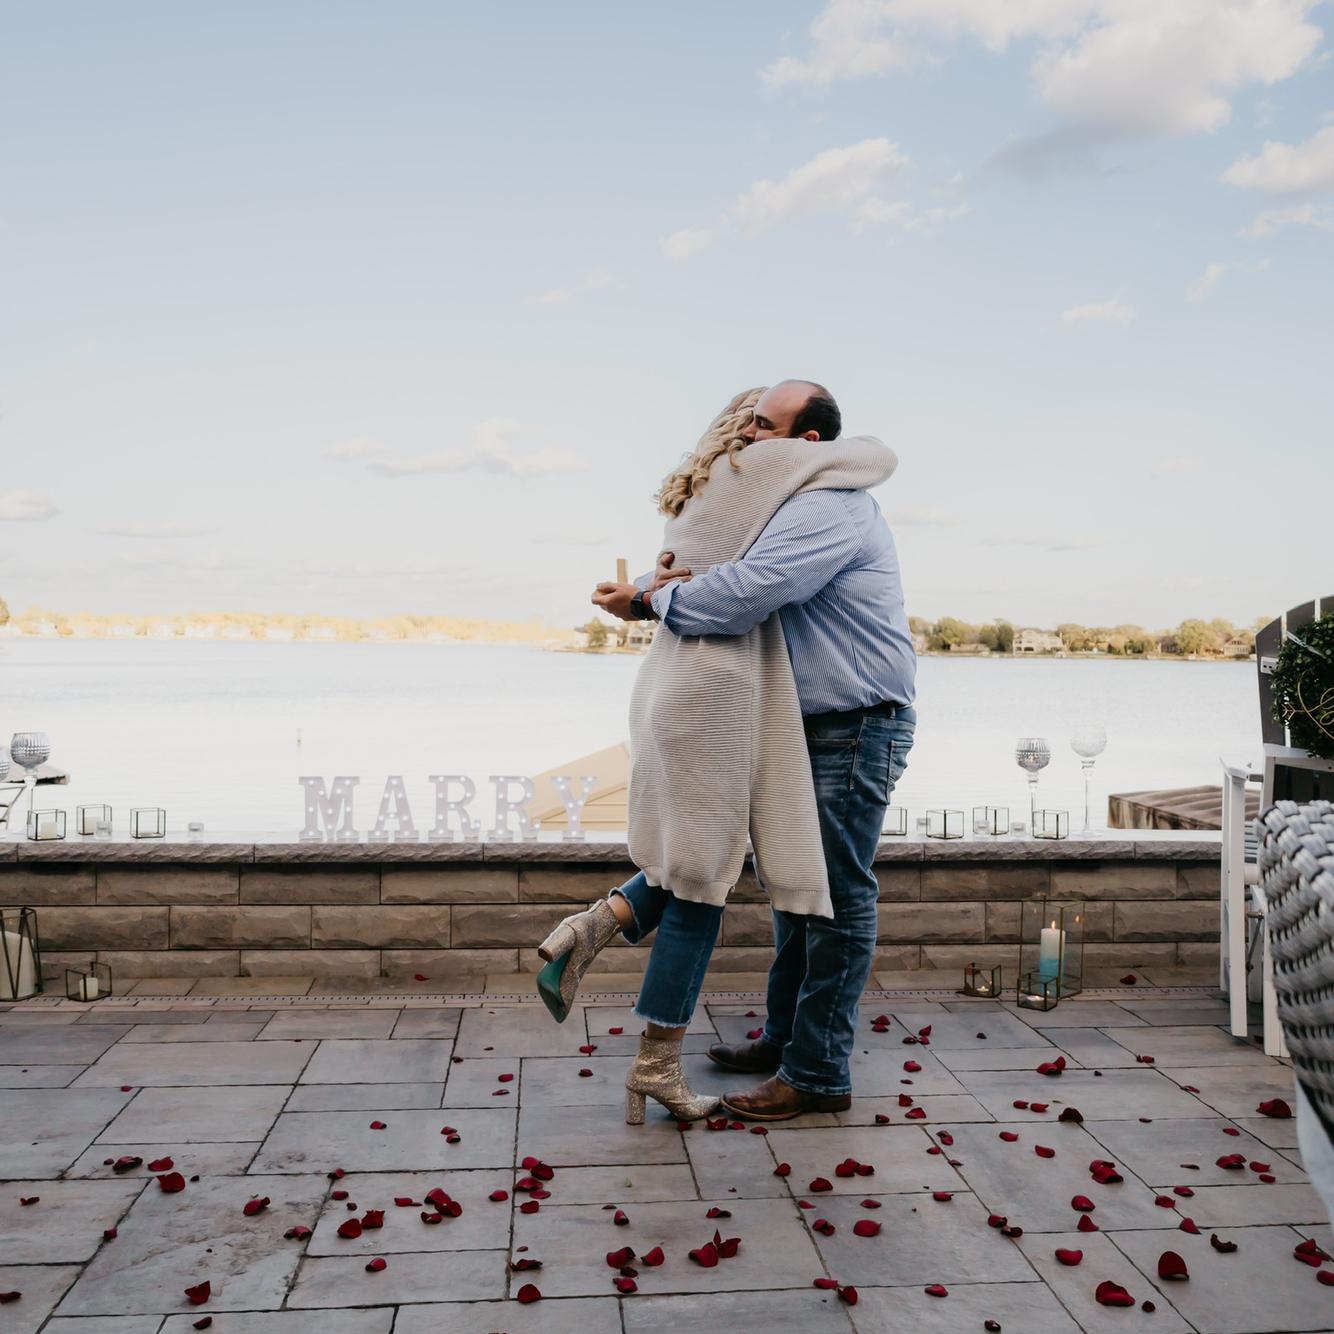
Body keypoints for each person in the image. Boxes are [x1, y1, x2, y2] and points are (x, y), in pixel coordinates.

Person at [536, 383, 907, 1125]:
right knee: (789, 893)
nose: (746, 436)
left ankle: (817, 1072)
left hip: (852, 723)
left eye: (763, 425)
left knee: (832, 899)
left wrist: (648, 601)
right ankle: (781, 1040)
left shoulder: (829, 504)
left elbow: (745, 591)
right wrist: (649, 586)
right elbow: (708, 559)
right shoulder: (775, 497)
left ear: (808, 441)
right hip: (785, 722)